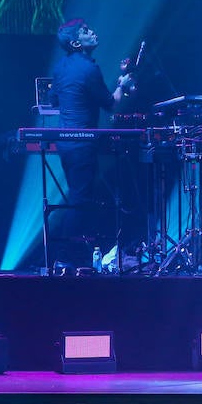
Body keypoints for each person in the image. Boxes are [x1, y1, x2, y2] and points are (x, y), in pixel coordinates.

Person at [50, 18, 134, 265]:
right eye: (86, 31)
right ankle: (65, 258)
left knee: (80, 197)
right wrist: (123, 84)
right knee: (80, 199)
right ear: (76, 42)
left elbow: (54, 100)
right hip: (82, 142)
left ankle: (77, 255)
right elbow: (111, 104)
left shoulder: (60, 67)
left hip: (66, 143)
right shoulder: (89, 69)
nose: (92, 32)